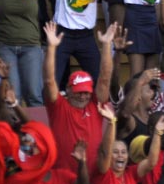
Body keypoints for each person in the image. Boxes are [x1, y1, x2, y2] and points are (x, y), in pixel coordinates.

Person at [43, 20, 119, 175]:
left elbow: (104, 79)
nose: (83, 96)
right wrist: (51, 47)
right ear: (69, 90)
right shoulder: (58, 106)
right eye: (79, 92)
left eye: (86, 92)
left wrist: (106, 45)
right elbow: (49, 80)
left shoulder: (95, 105)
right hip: (63, 178)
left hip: (93, 177)